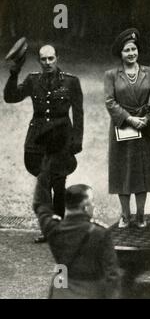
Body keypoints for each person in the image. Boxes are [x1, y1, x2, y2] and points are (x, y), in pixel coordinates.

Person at [4, 43, 83, 244]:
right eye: (43, 59)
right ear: (39, 61)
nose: (47, 63)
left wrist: (76, 140)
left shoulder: (71, 82)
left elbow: (79, 113)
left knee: (59, 182)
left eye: (51, 58)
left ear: (57, 58)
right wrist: (14, 72)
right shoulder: (33, 80)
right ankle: (49, 229)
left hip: (61, 137)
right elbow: (10, 97)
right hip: (38, 139)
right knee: (43, 183)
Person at [33, 168, 121, 299]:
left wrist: (43, 173)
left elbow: (41, 206)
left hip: (61, 290)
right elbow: (112, 274)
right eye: (92, 202)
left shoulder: (53, 227)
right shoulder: (100, 233)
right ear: (85, 207)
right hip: (90, 291)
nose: (94, 205)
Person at [104, 28, 150, 229]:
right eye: (126, 50)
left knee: (142, 171)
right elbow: (110, 101)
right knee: (123, 170)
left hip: (145, 128)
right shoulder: (111, 75)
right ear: (120, 53)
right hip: (123, 127)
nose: (131, 53)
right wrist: (129, 119)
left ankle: (141, 214)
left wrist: (147, 118)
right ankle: (125, 215)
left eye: (134, 49)